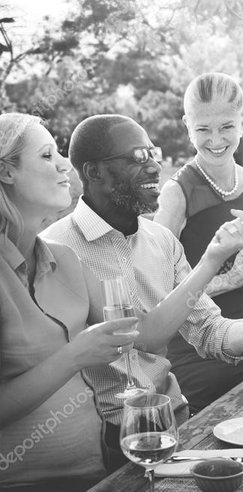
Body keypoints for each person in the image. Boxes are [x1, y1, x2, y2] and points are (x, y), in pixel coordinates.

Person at [42, 114, 243, 468]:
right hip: (105, 441)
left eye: (153, 154)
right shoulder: (56, 248)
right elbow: (141, 336)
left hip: (173, 420)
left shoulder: (161, 241)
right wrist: (212, 259)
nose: (153, 167)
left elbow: (208, 328)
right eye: (137, 157)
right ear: (93, 172)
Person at [0, 114, 137, 491]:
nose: (64, 164)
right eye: (47, 155)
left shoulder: (65, 258)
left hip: (97, 474)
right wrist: (77, 354)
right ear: (6, 172)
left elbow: (140, 330)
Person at [154, 73, 243, 413]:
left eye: (226, 126)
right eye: (203, 129)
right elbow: (158, 296)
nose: (216, 139)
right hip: (195, 357)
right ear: (186, 125)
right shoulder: (177, 194)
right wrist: (230, 278)